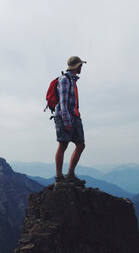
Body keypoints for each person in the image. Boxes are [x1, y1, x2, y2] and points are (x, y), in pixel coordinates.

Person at [54, 56, 87, 186]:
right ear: (76, 66)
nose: (81, 67)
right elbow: (62, 101)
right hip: (65, 116)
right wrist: (67, 120)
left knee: (80, 145)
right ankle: (59, 177)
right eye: (80, 65)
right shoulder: (65, 80)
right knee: (63, 145)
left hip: (75, 116)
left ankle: (70, 175)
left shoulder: (73, 81)